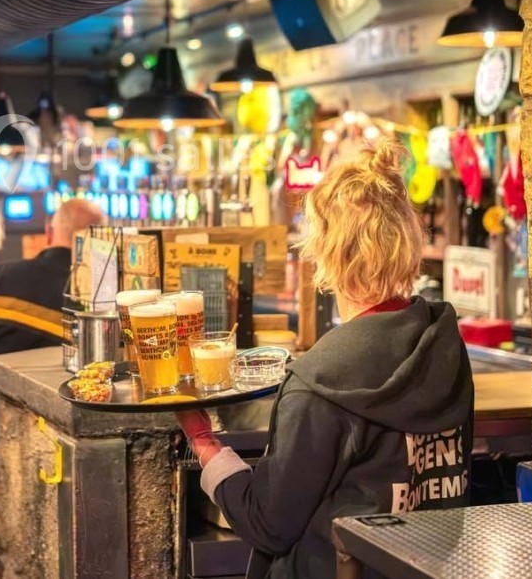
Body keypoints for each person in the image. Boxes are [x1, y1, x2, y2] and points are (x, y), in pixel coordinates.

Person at [178, 139, 473, 578]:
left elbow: (268, 524)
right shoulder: (443, 344)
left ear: (327, 252)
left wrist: (205, 444)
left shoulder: (318, 382)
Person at [0, 198, 105, 473]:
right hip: (27, 450)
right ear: (99, 246)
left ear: (48, 232)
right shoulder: (95, 303)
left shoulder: (0, 275)